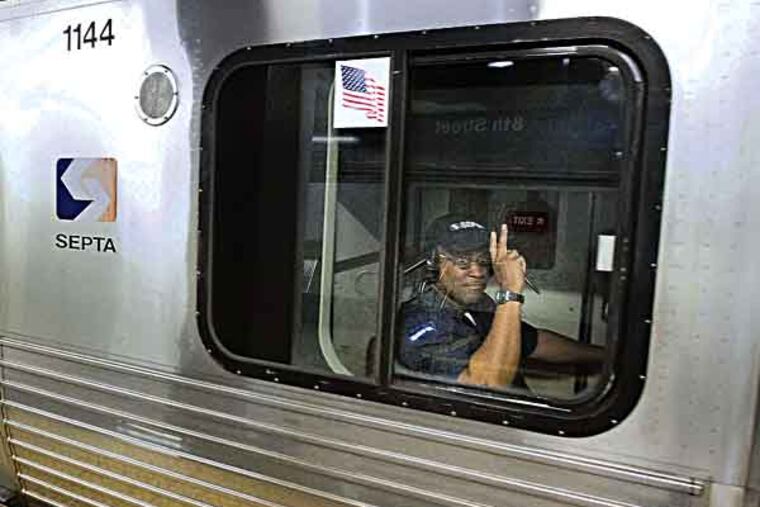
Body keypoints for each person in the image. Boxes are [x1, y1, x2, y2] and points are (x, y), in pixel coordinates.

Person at [398, 213, 604, 389]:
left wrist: (608, 356)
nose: (478, 272)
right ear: (433, 265)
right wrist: (511, 293)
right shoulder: (422, 326)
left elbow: (535, 342)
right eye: (462, 262)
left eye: (483, 261)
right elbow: (487, 383)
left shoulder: (475, 306)